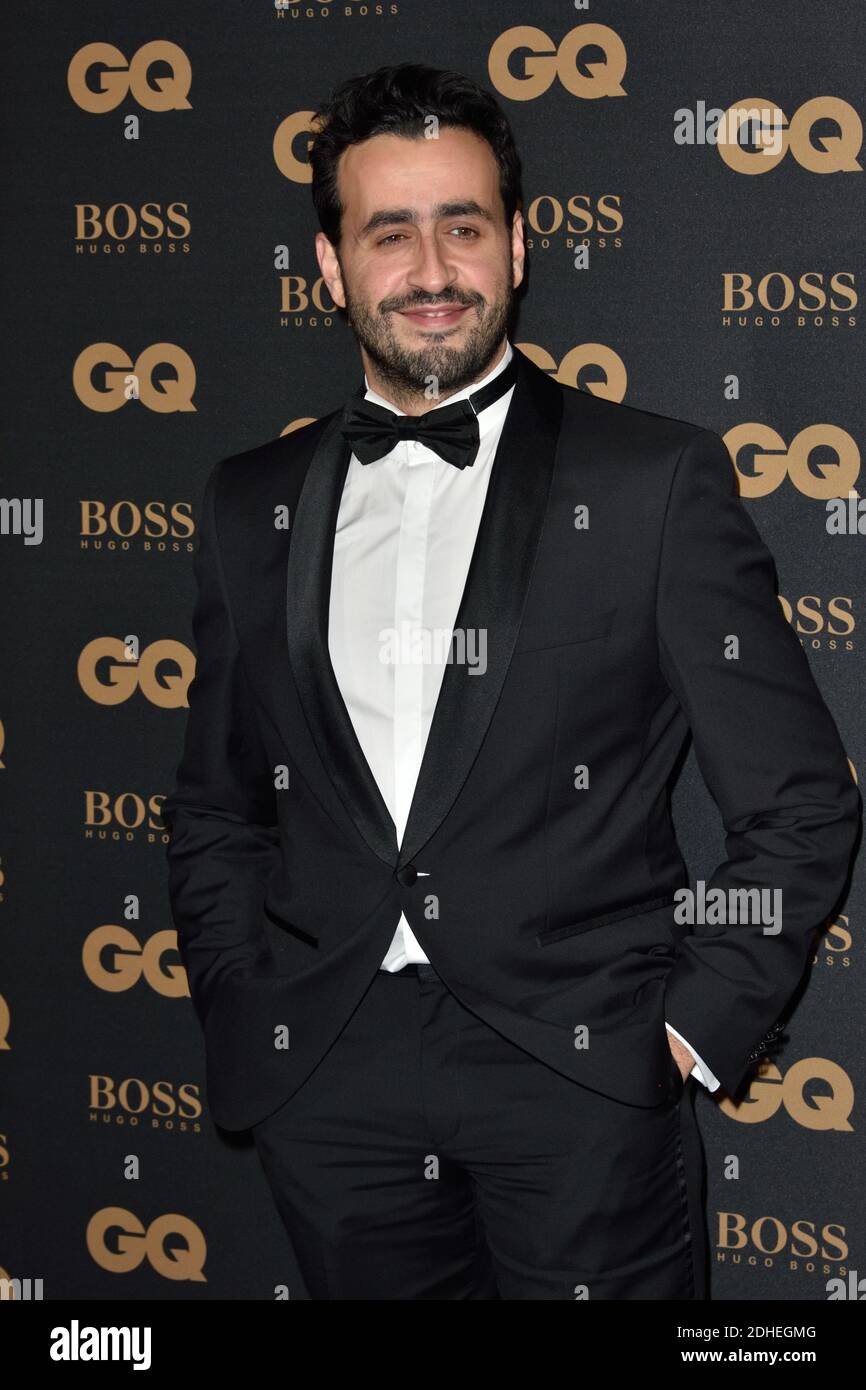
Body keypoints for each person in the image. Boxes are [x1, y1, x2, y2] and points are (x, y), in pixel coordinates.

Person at [162, 64, 861, 1299]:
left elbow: (800, 802)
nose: (430, 267)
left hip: (580, 1077)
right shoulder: (245, 505)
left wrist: (685, 1033)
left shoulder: (653, 483)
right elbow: (218, 804)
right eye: (389, 231)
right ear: (330, 268)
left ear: (519, 245)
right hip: (329, 1075)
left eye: (463, 225)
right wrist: (236, 991)